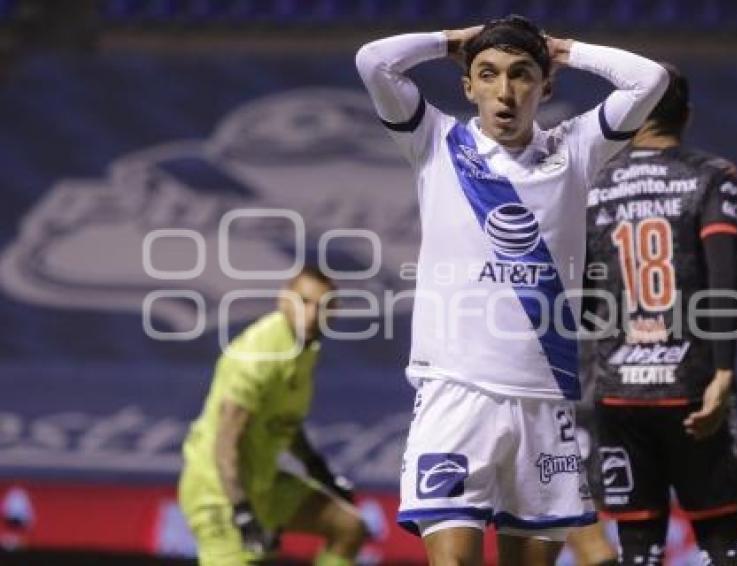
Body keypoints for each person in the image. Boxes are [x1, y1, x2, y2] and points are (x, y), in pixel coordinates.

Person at [356, 15, 668, 566]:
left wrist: (565, 49)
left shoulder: (575, 148)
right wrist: (454, 40)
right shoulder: (436, 141)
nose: (505, 92)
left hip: (544, 401)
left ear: (546, 86)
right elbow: (373, 60)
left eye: (522, 74)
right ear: (467, 85)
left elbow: (650, 81)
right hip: (456, 394)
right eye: (488, 73)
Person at [582, 65, 737, 565]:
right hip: (694, 388)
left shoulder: (593, 182)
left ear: (632, 118)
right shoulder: (713, 175)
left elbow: (586, 297)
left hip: (617, 393)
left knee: (639, 548)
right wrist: (722, 371)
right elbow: (724, 279)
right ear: (687, 116)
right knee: (720, 544)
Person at [178, 267, 368, 566]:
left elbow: (285, 422)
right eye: (303, 302)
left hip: (263, 483)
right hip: (218, 492)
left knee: (349, 527)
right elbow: (225, 445)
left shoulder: (304, 348)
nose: (312, 313)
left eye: (323, 306)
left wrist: (319, 471)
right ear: (283, 300)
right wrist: (241, 511)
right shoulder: (258, 356)